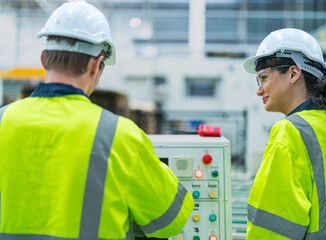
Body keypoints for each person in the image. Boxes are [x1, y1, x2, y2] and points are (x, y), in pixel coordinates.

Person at [0, 1, 194, 239]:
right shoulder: (120, 136)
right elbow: (170, 221)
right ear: (95, 65)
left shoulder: (3, 121)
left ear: (43, 59)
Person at [243, 28, 326, 239]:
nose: (259, 90)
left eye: (264, 77)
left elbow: (270, 231)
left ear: (294, 73)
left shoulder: (290, 132)